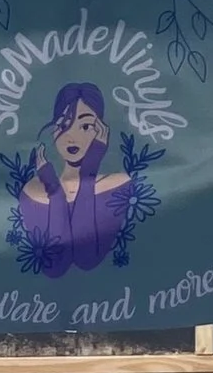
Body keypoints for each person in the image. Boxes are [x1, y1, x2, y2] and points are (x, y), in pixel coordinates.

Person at [13, 81, 133, 276]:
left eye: (85, 126)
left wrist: (89, 172)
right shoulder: (32, 191)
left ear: (101, 130)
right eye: (63, 125)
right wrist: (55, 191)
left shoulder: (119, 185)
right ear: (54, 131)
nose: (72, 137)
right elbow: (54, 267)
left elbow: (86, 259)